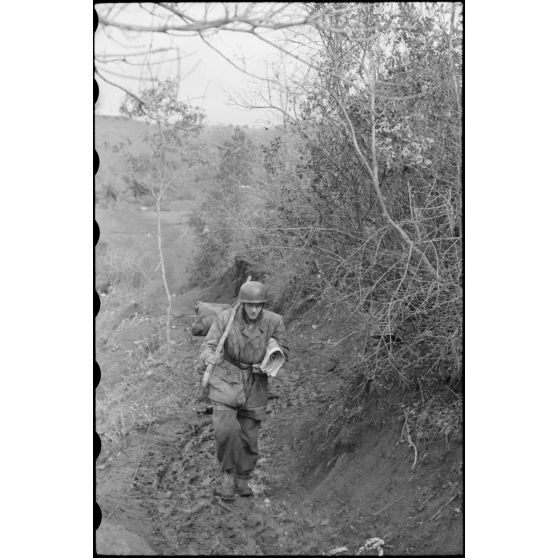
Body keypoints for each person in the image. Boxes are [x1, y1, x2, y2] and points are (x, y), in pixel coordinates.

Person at [199, 280, 289, 500]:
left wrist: (272, 358)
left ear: (263, 305)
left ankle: (243, 477)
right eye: (249, 305)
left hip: (256, 382)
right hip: (226, 377)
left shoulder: (274, 321)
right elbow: (208, 345)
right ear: (242, 303)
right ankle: (228, 475)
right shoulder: (225, 319)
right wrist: (210, 356)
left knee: (249, 437)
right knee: (225, 431)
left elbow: (284, 349)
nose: (254, 309)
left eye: (258, 305)